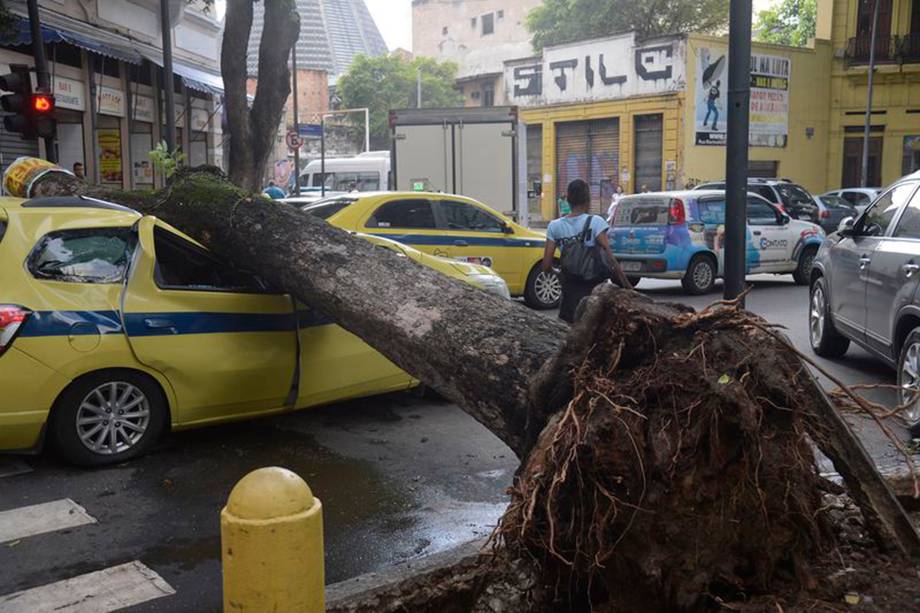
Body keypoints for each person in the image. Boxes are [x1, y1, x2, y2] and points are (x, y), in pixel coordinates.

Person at [543, 179, 627, 323]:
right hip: (595, 291)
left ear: (568, 200)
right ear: (587, 200)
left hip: (570, 292)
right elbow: (611, 259)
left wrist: (559, 273)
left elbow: (546, 266)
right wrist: (627, 287)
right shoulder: (596, 222)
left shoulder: (554, 226)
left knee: (569, 331)